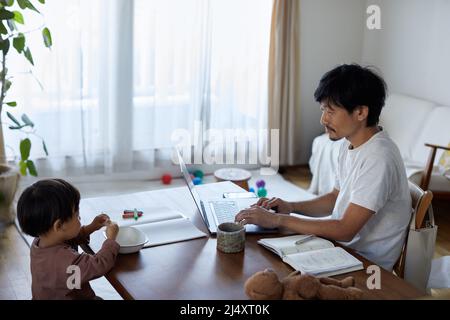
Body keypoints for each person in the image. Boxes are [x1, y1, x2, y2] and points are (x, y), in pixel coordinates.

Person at [236, 64, 412, 271]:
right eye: (323, 110)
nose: (323, 119)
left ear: (361, 112)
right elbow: (334, 198)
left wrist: (278, 219)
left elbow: (345, 229)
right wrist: (290, 207)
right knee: (259, 255)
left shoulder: (378, 158)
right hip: (339, 249)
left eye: (331, 111)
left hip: (363, 264)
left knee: (263, 267)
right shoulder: (350, 145)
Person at [17, 179, 120, 300]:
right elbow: (99, 265)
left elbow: (66, 239)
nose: (80, 217)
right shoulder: (68, 261)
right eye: (76, 215)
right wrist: (111, 239)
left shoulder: (39, 243)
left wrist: (91, 227)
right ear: (59, 225)